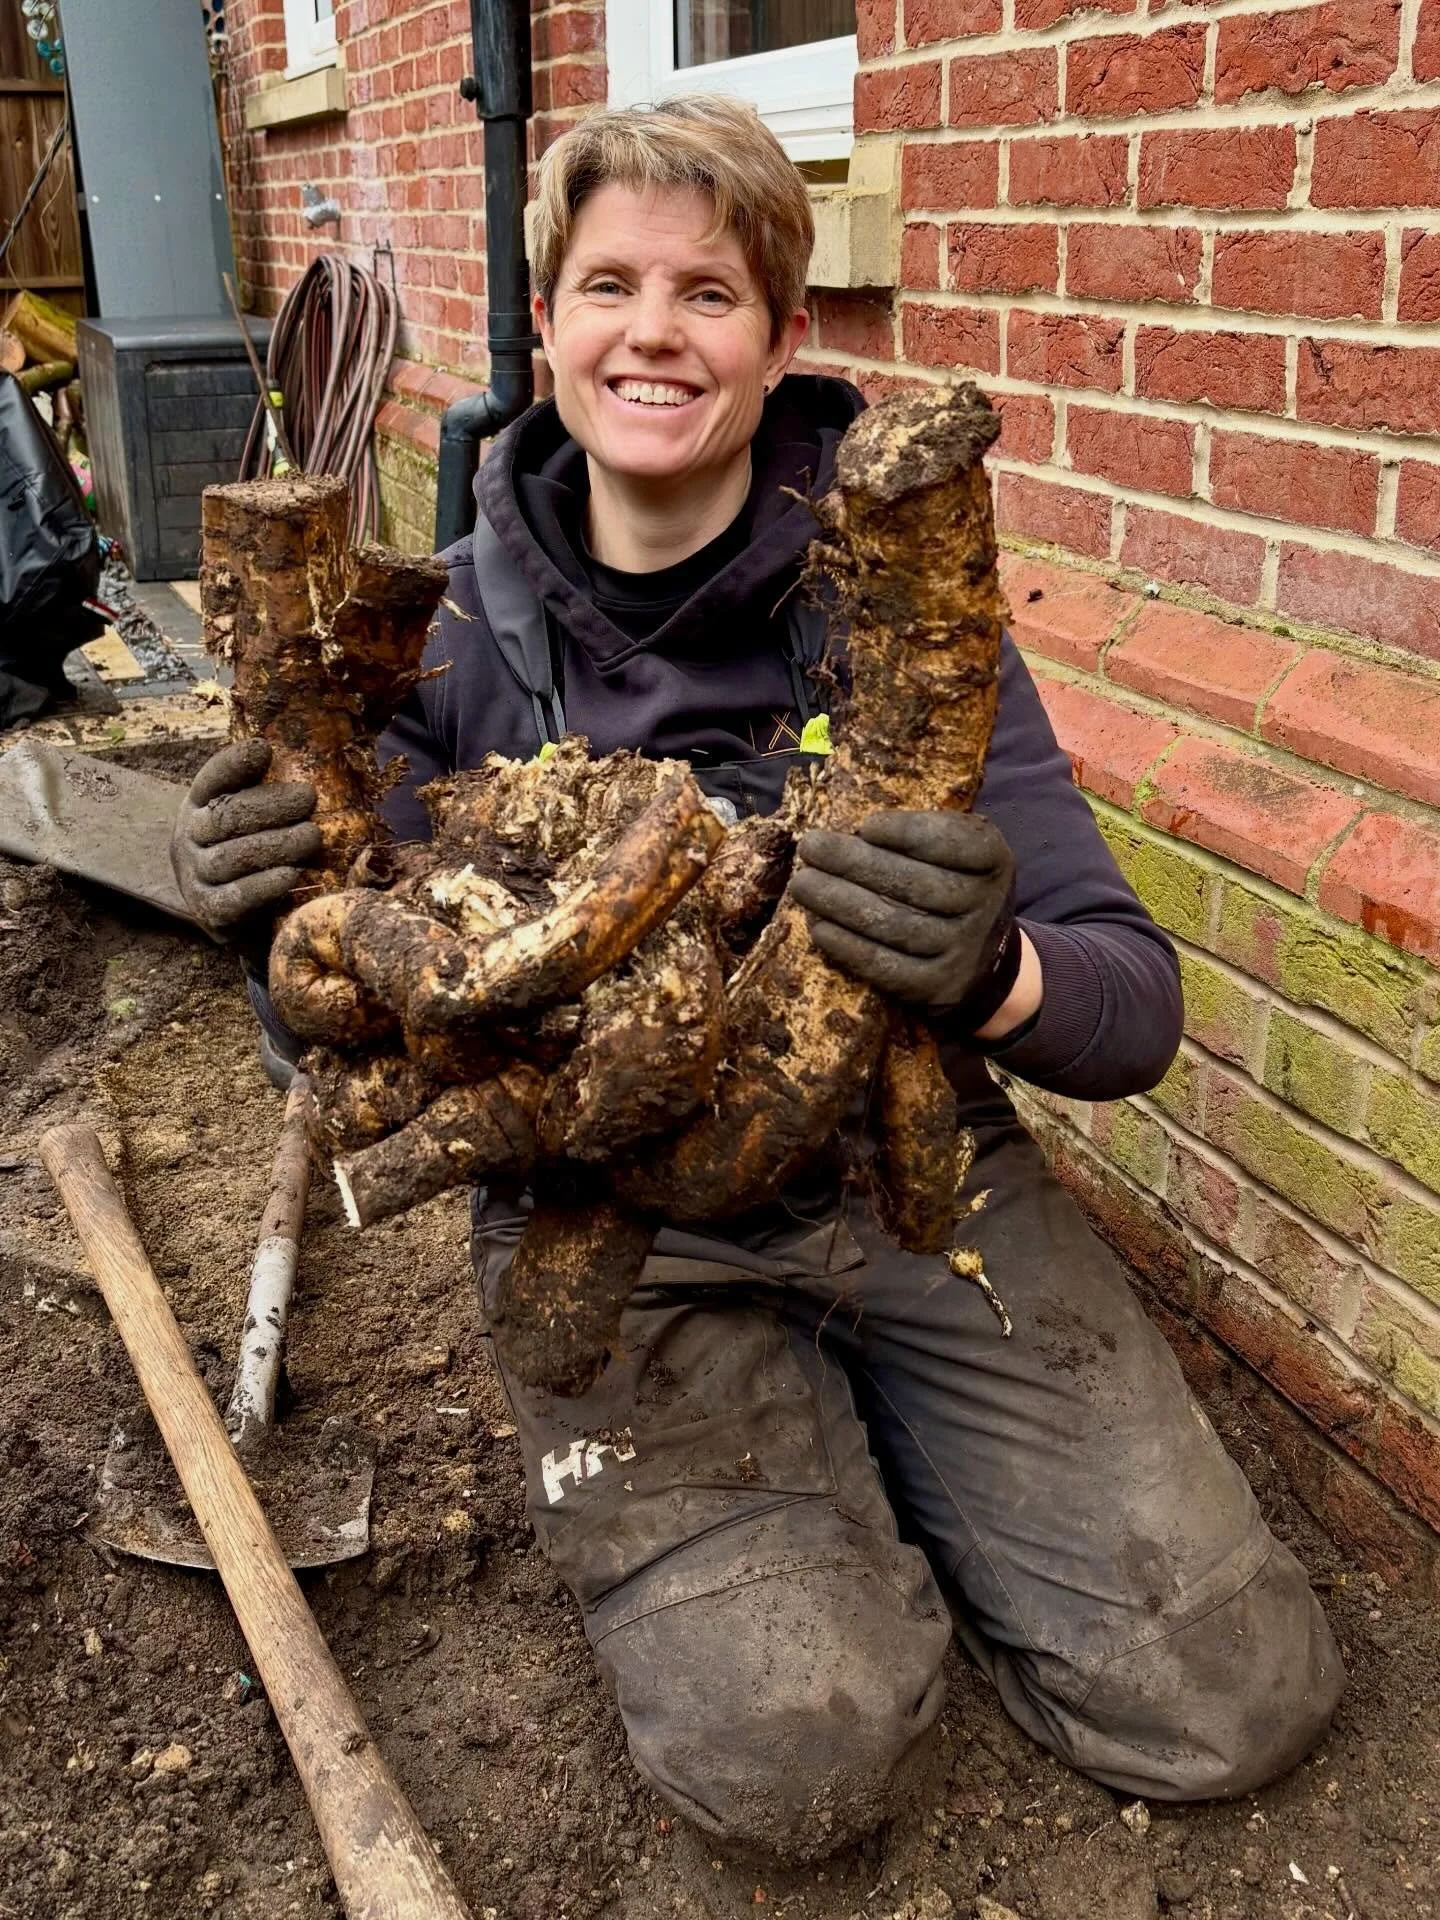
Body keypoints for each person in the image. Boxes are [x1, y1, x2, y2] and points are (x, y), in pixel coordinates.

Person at [172, 96, 1342, 1860]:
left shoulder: (895, 615)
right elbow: (357, 1035)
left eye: (710, 291)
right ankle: (793, 1499)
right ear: (548, 322)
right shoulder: (440, 643)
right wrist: (264, 933)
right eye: (610, 284)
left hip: (907, 1175)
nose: (657, 330)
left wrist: (995, 968)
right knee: (793, 1763)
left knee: (1229, 1699)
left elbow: (1135, 1003)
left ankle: (944, 1453)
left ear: (784, 336)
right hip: (610, 1229)